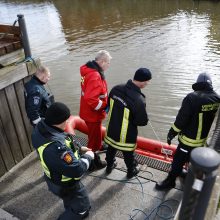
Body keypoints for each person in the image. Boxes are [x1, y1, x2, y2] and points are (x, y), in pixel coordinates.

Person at [155, 72, 220, 190]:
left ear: (198, 83)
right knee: (198, 164)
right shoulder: (217, 99)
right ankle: (196, 187)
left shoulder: (192, 97)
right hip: (204, 143)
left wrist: (171, 133)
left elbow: (181, 119)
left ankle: (170, 182)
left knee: (177, 162)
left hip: (188, 141)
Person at [32, 102, 94, 219]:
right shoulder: (56, 147)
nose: (67, 122)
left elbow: (63, 139)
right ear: (60, 121)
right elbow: (77, 170)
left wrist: (79, 149)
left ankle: (70, 206)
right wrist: (89, 156)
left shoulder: (41, 127)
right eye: (66, 120)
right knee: (82, 208)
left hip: (53, 178)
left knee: (70, 201)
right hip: (65, 184)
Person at [104, 68, 152, 178]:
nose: (148, 83)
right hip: (126, 135)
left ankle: (109, 166)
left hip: (111, 129)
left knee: (111, 148)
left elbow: (108, 106)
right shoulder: (139, 99)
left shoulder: (116, 89)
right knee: (128, 154)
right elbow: (142, 121)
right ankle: (131, 171)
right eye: (148, 81)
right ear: (144, 82)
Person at [79, 50, 112, 168]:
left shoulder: (88, 71)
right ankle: (93, 163)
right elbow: (92, 99)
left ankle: (98, 146)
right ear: (102, 62)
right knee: (94, 140)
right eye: (108, 63)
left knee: (94, 135)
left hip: (87, 111)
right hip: (93, 114)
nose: (109, 65)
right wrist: (104, 106)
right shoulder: (95, 76)